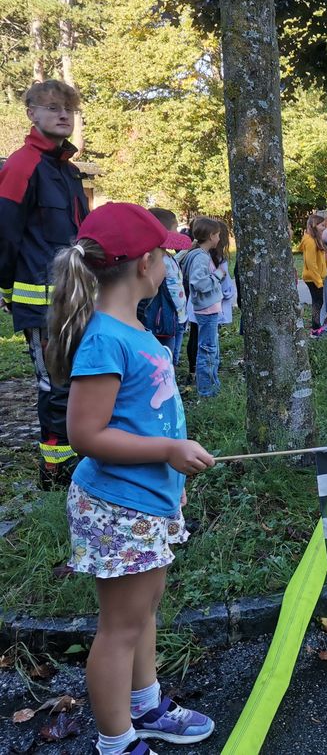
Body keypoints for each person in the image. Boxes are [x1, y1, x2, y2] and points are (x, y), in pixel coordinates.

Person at [43, 202, 215, 755]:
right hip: (118, 506)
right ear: (145, 263)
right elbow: (85, 435)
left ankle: (147, 705)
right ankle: (115, 741)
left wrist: (171, 473)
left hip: (148, 500)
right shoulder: (106, 339)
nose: (169, 263)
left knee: (143, 611)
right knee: (119, 627)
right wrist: (167, 449)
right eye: (165, 254)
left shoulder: (135, 327)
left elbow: (146, 414)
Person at [0, 79, 89, 490]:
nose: (63, 114)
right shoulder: (22, 165)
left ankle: (86, 463)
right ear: (31, 114)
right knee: (55, 388)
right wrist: (6, 288)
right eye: (52, 107)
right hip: (42, 303)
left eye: (68, 108)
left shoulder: (68, 170)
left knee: (83, 379)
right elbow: (4, 233)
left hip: (81, 298)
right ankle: (55, 478)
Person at [181, 218, 225, 398]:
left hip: (208, 307)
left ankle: (213, 384)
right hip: (206, 309)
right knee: (207, 350)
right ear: (210, 236)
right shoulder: (200, 256)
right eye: (218, 235)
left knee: (211, 348)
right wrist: (218, 276)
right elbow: (199, 282)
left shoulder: (199, 254)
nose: (219, 238)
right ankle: (206, 390)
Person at [146, 208, 187, 367]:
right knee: (165, 362)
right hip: (165, 319)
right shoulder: (155, 259)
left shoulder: (167, 256)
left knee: (174, 356)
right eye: (175, 228)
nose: (177, 232)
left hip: (179, 317)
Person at [297, 214, 327, 336]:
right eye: (322, 225)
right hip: (313, 278)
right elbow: (311, 263)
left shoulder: (315, 240)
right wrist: (318, 281)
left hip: (317, 278)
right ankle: (315, 330)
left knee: (319, 302)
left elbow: (321, 259)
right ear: (314, 226)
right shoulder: (310, 241)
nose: (324, 228)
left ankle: (316, 327)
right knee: (317, 302)